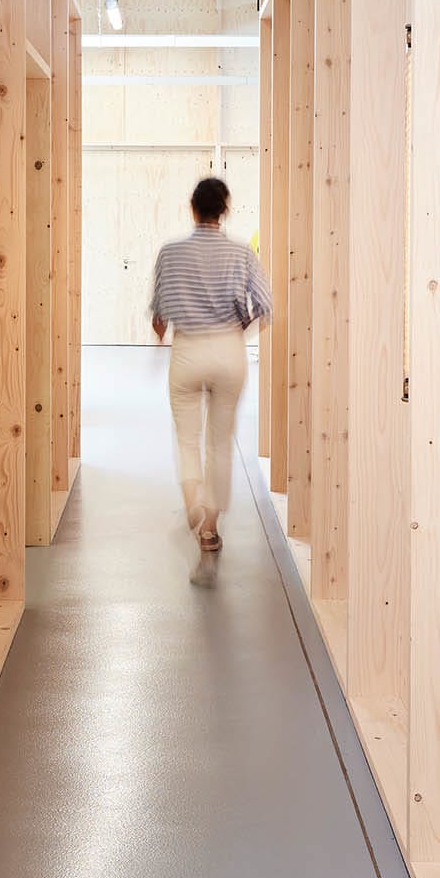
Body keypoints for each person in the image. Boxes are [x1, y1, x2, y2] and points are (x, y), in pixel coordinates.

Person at [150, 177, 272, 583]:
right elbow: (265, 308)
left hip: (187, 350)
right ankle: (209, 530)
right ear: (225, 209)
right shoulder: (242, 253)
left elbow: (159, 317)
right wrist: (237, 330)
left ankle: (192, 502)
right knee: (219, 443)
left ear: (193, 207)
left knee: (187, 439)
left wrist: (165, 334)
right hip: (228, 349)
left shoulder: (170, 253)